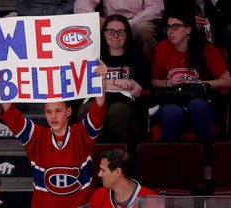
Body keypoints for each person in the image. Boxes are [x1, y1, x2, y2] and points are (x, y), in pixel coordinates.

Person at [0, 60, 107, 208]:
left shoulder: (81, 134)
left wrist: (102, 81)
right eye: (48, 111)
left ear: (69, 111)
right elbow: (13, 117)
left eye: (58, 110)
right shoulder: (37, 137)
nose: (53, 117)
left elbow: (98, 109)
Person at [150, 10, 231, 178]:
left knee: (196, 106)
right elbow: (152, 82)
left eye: (175, 27)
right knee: (173, 112)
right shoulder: (162, 48)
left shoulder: (205, 49)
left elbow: (226, 81)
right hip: (171, 102)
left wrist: (199, 83)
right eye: (168, 27)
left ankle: (207, 165)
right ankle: (168, 169)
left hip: (201, 102)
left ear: (188, 30)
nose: (170, 31)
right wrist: (168, 83)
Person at [77, 14, 149, 152]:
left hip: (126, 104)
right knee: (87, 109)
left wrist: (102, 83)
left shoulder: (137, 57)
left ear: (127, 34)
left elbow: (136, 91)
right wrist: (117, 82)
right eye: (110, 31)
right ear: (104, 34)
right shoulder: (94, 55)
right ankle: (93, 156)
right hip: (95, 100)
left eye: (120, 32)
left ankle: (119, 159)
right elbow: (86, 84)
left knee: (118, 110)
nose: (115, 35)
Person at [74, 0, 164, 60]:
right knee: (92, 25)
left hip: (137, 21)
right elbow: (82, 3)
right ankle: (95, 72)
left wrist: (127, 24)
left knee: (143, 29)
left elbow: (155, 9)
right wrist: (95, 18)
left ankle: (149, 72)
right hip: (110, 21)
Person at [88, 148, 158, 208]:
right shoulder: (98, 196)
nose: (99, 174)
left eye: (103, 170)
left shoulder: (153, 200)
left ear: (118, 171)